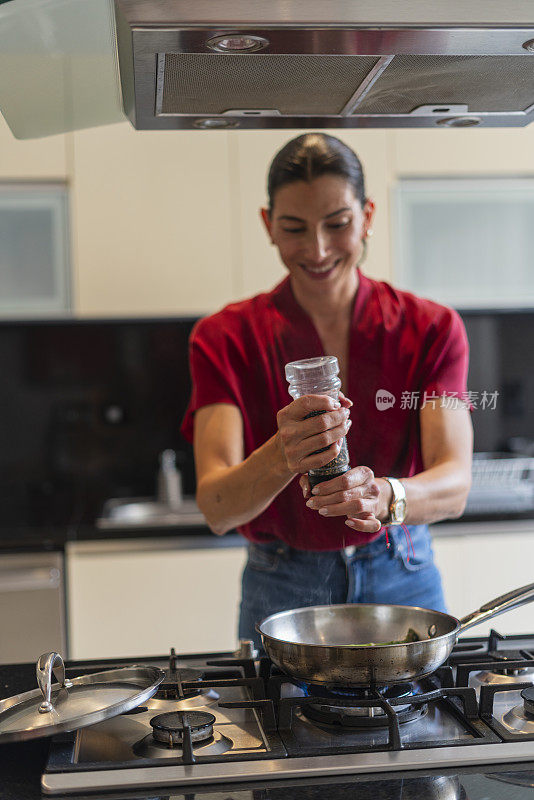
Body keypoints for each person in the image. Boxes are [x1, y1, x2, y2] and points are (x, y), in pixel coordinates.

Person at [181, 133, 473, 649]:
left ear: (367, 217)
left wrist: (387, 495)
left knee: (424, 726)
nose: (317, 250)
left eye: (337, 224)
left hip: (401, 564)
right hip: (282, 580)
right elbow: (217, 506)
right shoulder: (223, 338)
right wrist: (283, 453)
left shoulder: (432, 328)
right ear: (268, 225)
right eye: (294, 228)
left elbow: (454, 484)